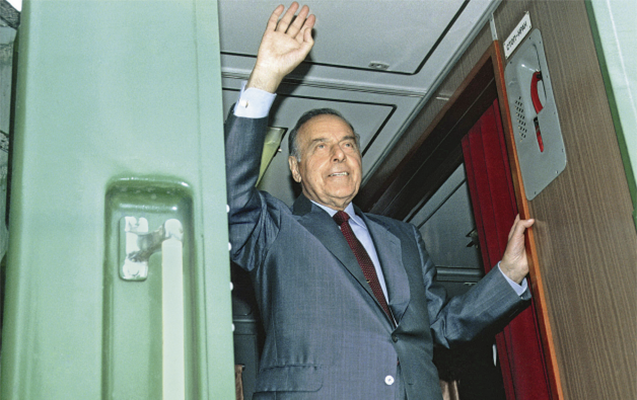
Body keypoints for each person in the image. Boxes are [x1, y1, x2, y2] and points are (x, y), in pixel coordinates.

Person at [224, 3, 534, 399]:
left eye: (348, 144)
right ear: (295, 169)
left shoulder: (403, 238)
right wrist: (265, 76)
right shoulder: (275, 230)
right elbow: (230, 198)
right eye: (321, 147)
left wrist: (509, 273)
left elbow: (442, 326)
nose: (339, 155)